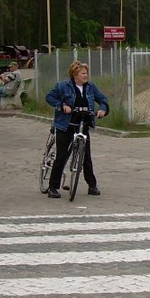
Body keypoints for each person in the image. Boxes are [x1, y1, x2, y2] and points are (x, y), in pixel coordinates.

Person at [44, 60, 108, 199]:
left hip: (83, 124)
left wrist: (102, 109)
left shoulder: (91, 87)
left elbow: (103, 100)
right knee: (62, 156)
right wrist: (62, 106)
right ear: (75, 75)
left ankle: (92, 185)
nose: (86, 76)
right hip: (66, 125)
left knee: (86, 157)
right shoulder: (63, 86)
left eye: (86, 73)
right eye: (83, 73)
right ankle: (53, 187)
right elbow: (49, 97)